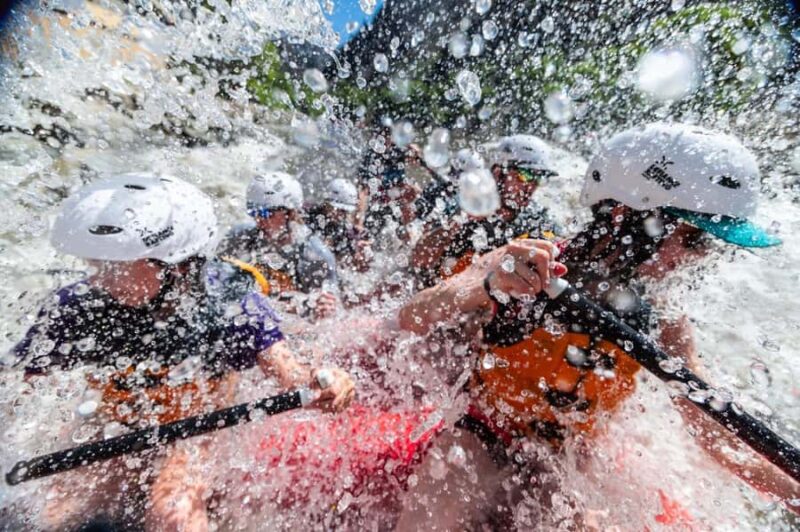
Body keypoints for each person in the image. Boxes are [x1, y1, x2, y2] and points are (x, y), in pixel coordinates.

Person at [396, 123, 798, 528]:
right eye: (693, 239)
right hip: (483, 435)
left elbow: (716, 434)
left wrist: (793, 493)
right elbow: (413, 316)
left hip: (567, 459)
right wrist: (490, 282)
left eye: (708, 244)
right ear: (629, 214)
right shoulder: (532, 259)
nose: (696, 257)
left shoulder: (666, 318)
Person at [13, 174, 354, 531]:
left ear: (175, 266)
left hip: (198, 430)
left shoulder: (231, 301)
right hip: (116, 424)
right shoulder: (76, 306)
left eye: (117, 268)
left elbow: (290, 373)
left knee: (172, 513)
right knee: (53, 514)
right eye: (97, 266)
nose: (100, 281)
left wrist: (325, 381)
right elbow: (25, 388)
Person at [411, 134, 560, 288]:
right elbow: (418, 259)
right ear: (497, 173)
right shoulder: (462, 203)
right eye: (524, 176)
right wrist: (461, 221)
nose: (530, 187)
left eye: (538, 179)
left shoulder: (535, 219)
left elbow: (559, 247)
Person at [220, 171, 340, 320]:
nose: (259, 220)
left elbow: (326, 314)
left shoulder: (316, 255)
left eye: (266, 213)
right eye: (254, 212)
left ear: (289, 213)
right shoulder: (240, 237)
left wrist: (320, 308)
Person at [305, 178, 371, 272]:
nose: (341, 215)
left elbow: (358, 267)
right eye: (340, 210)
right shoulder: (308, 218)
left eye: (346, 211)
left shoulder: (344, 230)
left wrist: (360, 257)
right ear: (327, 204)